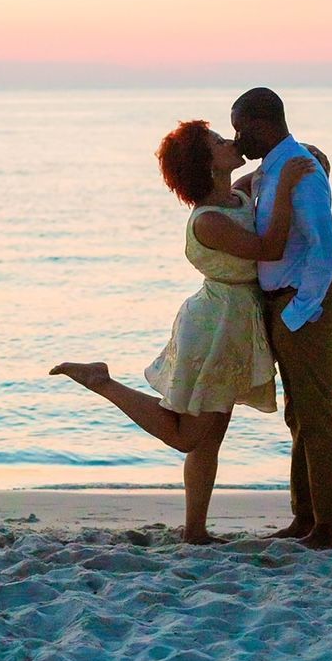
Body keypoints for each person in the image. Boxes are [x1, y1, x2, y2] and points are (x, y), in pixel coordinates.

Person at [49, 120, 313, 543]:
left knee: (210, 438)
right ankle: (102, 381)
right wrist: (283, 189)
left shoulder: (234, 195)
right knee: (187, 436)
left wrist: (295, 164)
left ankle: (194, 532)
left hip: (233, 325)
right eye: (217, 142)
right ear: (207, 165)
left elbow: (256, 179)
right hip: (215, 328)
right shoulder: (208, 221)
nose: (230, 141)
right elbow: (269, 249)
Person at [231, 87, 332, 550]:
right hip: (286, 302)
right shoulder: (273, 170)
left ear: (263, 124)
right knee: (299, 415)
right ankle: (305, 517)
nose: (238, 138)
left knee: (318, 416)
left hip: (306, 303)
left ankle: (326, 526)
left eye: (242, 128)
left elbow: (324, 246)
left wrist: (301, 311)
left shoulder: (300, 171)